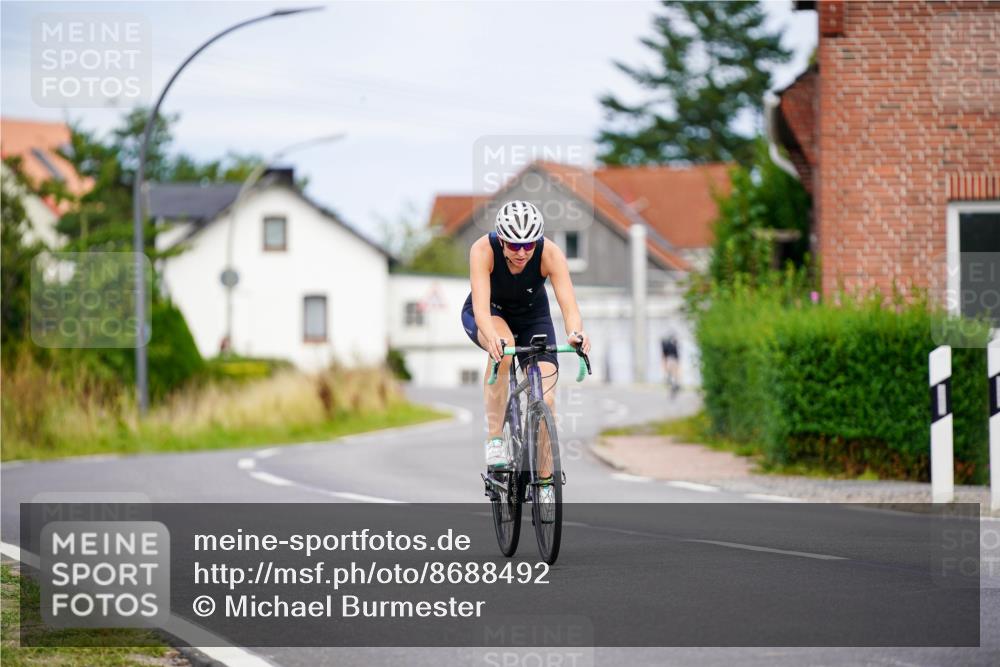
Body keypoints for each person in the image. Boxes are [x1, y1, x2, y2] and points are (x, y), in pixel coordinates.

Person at [461, 200, 591, 500]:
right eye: (514, 245)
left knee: (547, 397)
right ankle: (495, 438)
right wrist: (491, 337)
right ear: (501, 239)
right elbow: (480, 308)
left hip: (533, 316)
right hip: (492, 313)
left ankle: (545, 483)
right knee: (502, 352)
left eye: (529, 245)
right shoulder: (482, 250)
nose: (522, 252)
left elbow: (569, 306)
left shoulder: (550, 254)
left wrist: (575, 334)